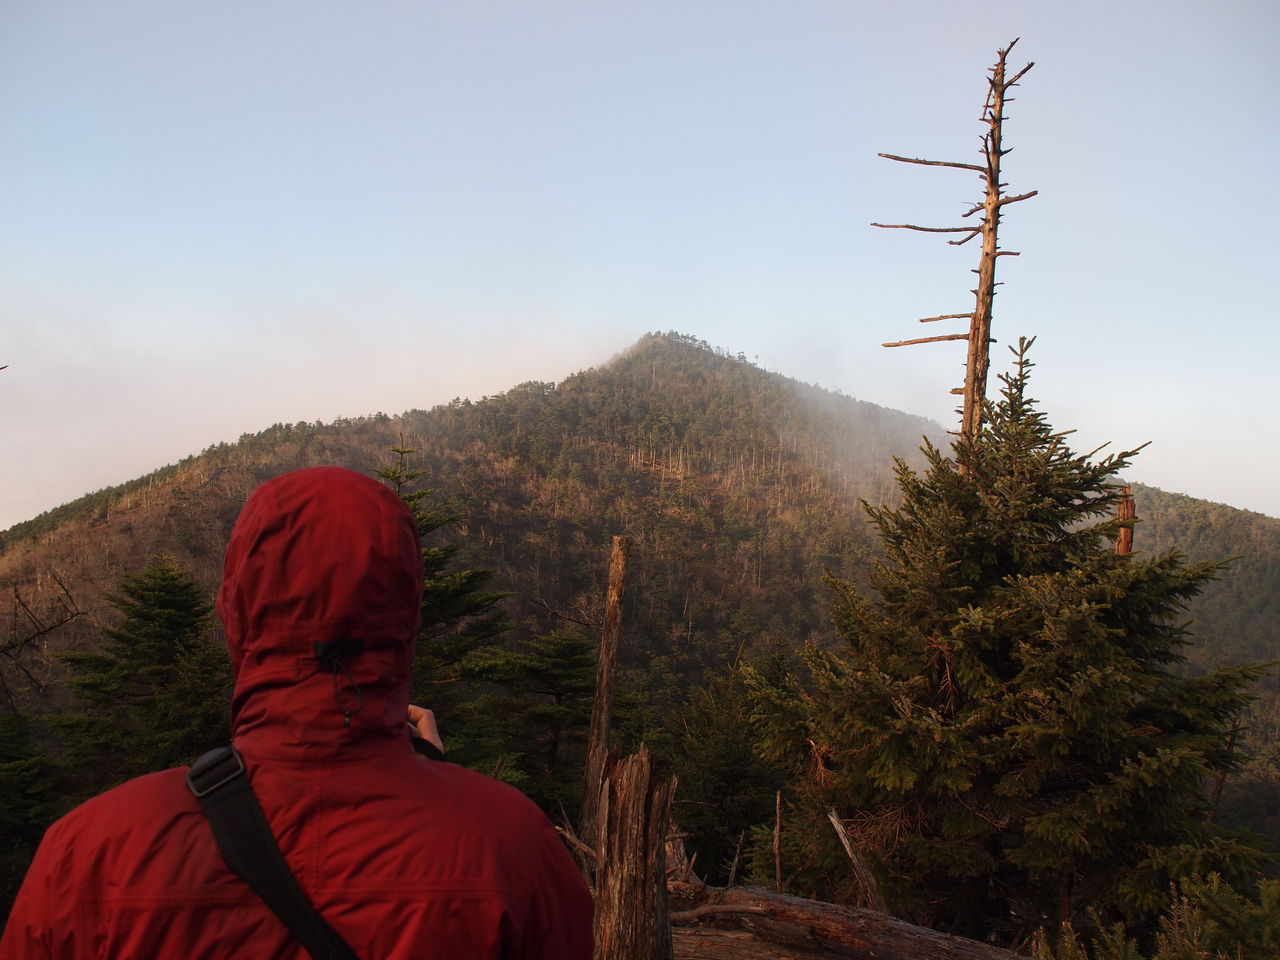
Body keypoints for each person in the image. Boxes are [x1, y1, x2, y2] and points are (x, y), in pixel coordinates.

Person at [1, 466, 594, 959]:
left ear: (238, 613)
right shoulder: (513, 847)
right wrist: (436, 783)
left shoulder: (88, 854)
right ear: (405, 619)